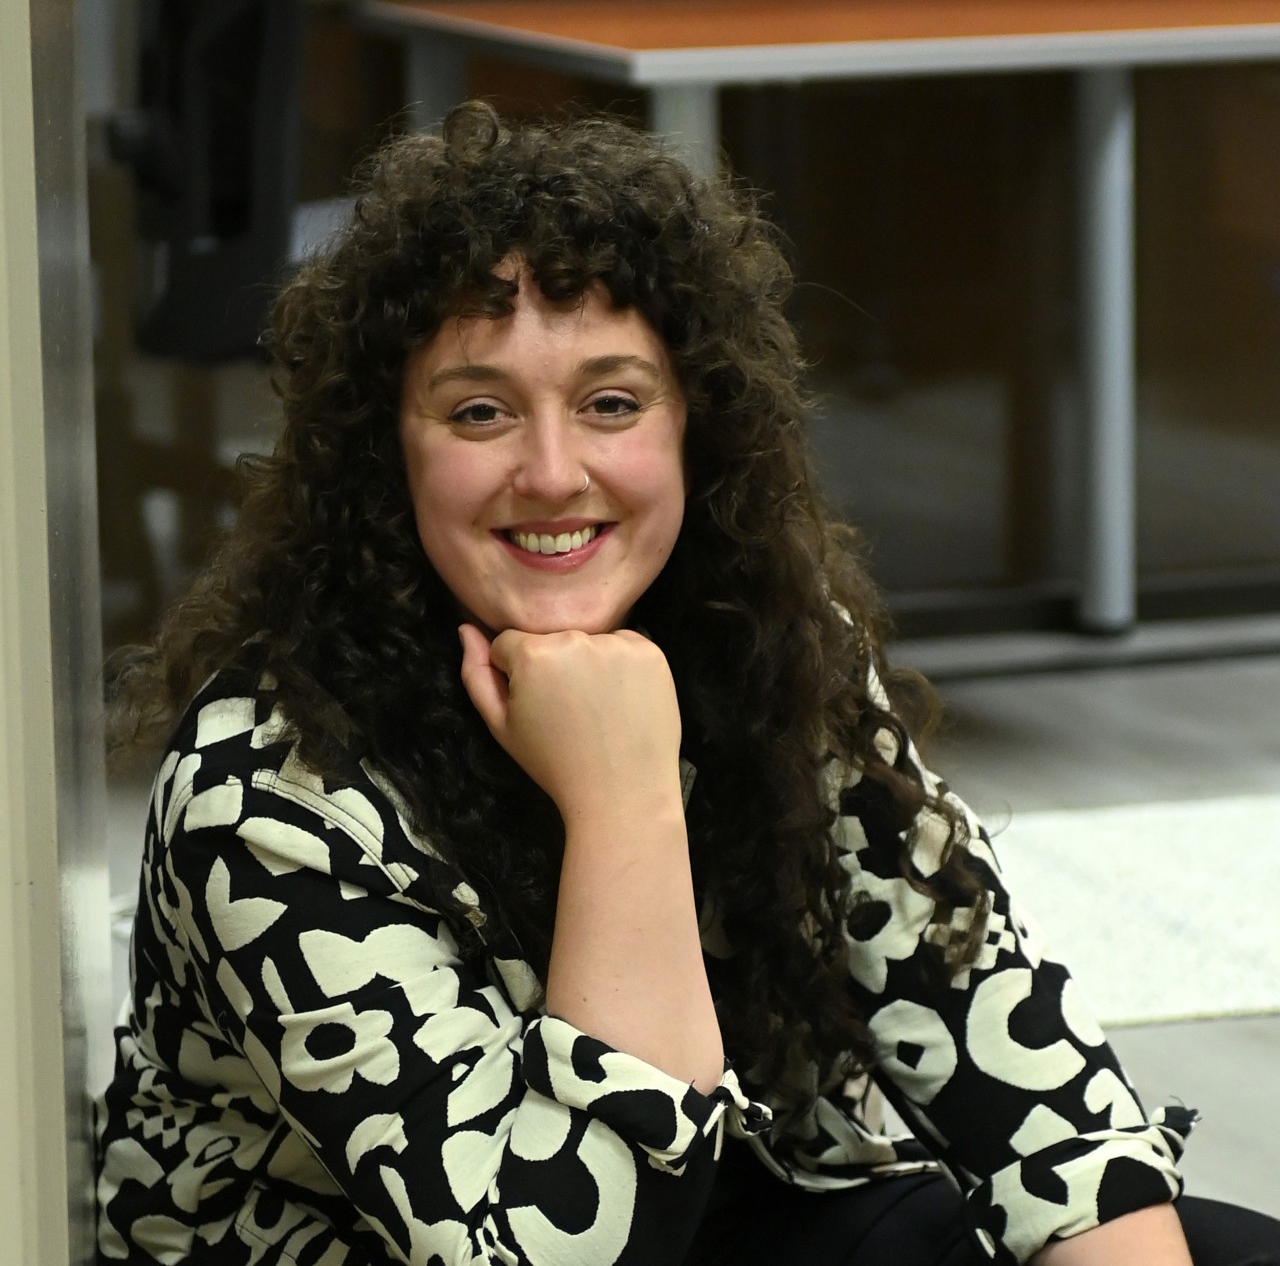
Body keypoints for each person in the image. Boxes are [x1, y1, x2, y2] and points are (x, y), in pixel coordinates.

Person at [94, 102, 1279, 1266]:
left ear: (691, 432)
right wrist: (623, 805)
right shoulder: (262, 791)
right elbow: (566, 1249)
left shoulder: (757, 640)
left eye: (611, 403)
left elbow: (1007, 1055)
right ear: (383, 451)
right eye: (478, 411)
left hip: (724, 1204)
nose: (552, 472)